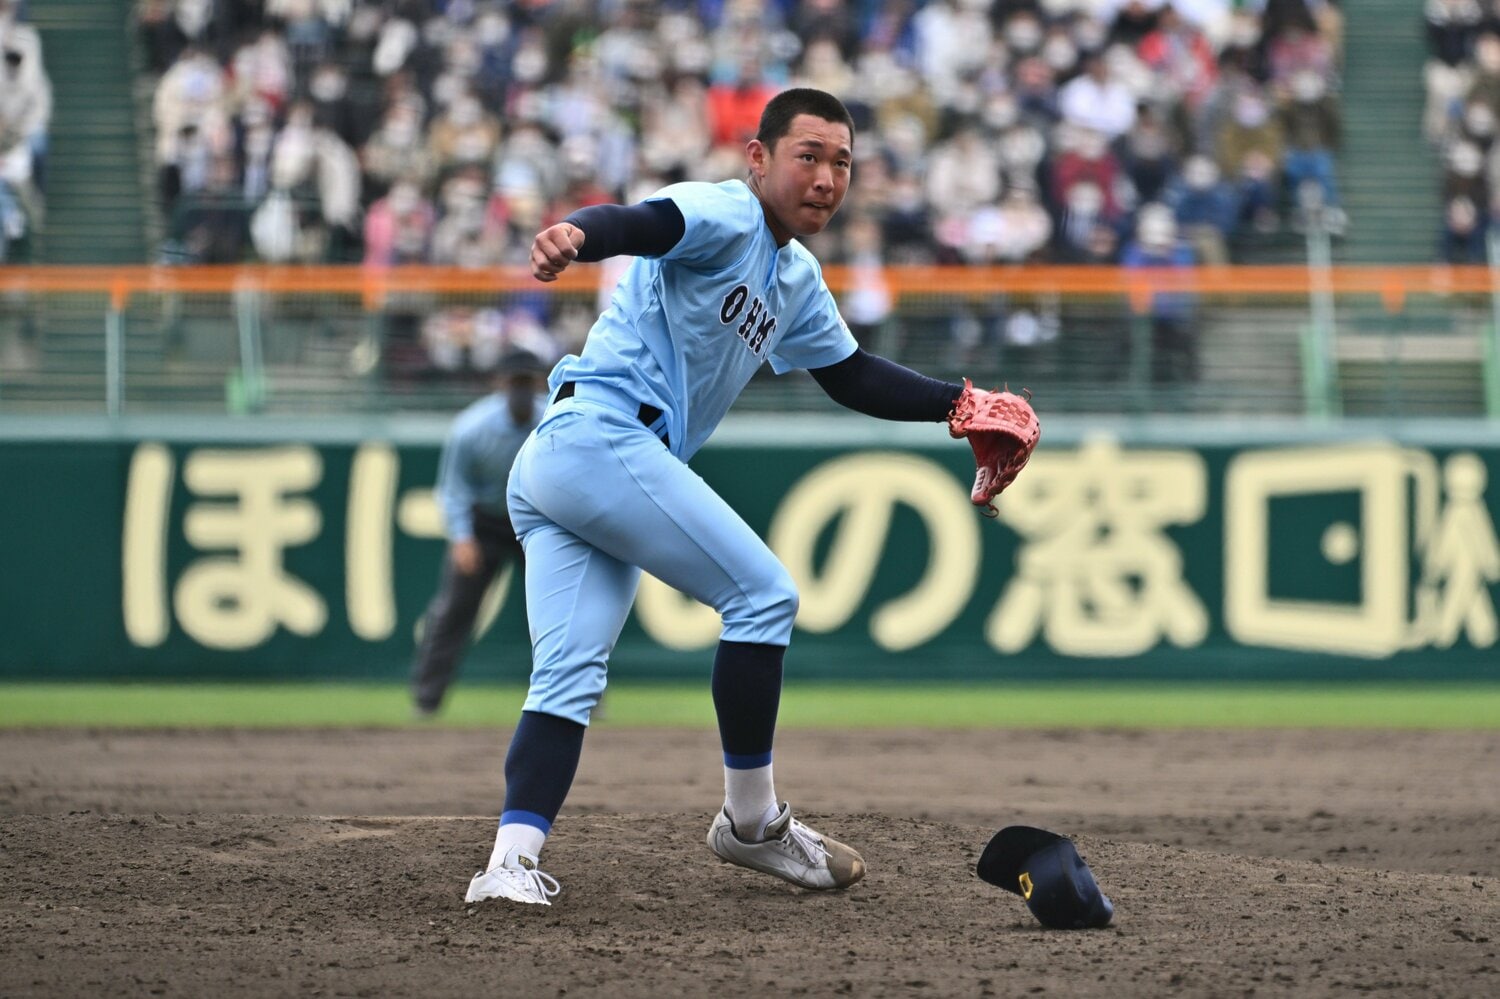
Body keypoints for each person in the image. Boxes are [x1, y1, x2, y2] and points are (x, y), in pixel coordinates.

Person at [465, 88, 990, 907]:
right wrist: (581, 233)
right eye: (806, 155)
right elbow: (646, 223)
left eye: (841, 161)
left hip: (572, 461)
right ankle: (752, 825)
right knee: (763, 595)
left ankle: (509, 861)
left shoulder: (794, 276)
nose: (825, 176)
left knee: (567, 678)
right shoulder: (728, 212)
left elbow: (850, 375)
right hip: (603, 437)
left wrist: (957, 403)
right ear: (758, 158)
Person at [410, 349, 551, 717]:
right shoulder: (472, 428)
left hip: (537, 520)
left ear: (538, 383)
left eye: (527, 381)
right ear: (500, 384)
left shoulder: (554, 417)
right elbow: (454, 489)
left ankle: (584, 696)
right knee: (454, 610)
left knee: (560, 610)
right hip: (485, 522)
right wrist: (462, 537)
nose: (521, 389)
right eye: (515, 381)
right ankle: (427, 699)